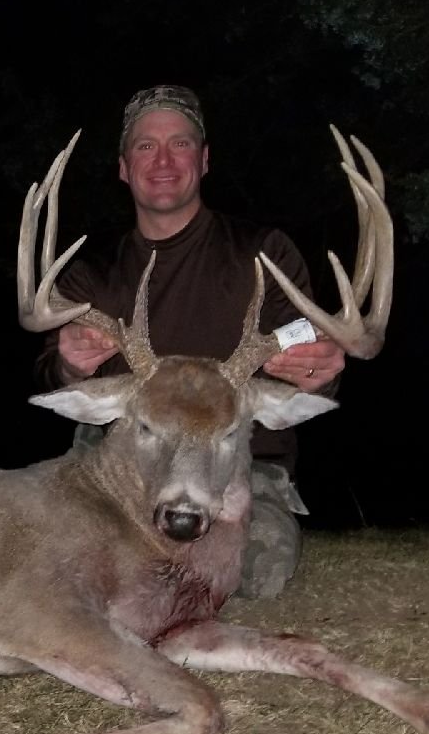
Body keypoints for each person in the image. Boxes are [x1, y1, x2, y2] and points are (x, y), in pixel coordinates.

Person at [33, 86, 344, 598]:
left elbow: (308, 355)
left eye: (179, 144)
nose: (162, 160)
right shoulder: (91, 273)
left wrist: (322, 371)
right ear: (123, 167)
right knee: (54, 556)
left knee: (258, 572)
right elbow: (50, 370)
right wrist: (69, 366)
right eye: (145, 146)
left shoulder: (265, 255)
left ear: (203, 161)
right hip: (124, 463)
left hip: (237, 463)